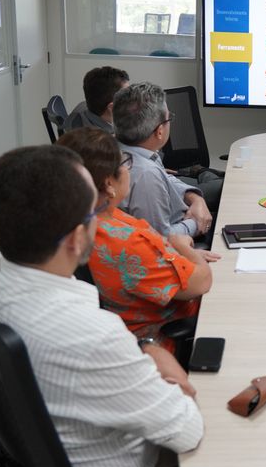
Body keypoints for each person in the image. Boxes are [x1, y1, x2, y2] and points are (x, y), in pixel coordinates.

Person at [0, 145, 203, 467]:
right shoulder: (92, 335)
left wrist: (145, 346)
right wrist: (163, 365)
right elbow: (187, 430)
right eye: (95, 212)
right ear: (76, 237)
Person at [57, 128, 219, 352]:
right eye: (124, 164)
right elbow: (201, 282)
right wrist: (184, 248)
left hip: (128, 321)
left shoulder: (88, 219)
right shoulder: (128, 243)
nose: (128, 169)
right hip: (159, 339)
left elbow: (151, 258)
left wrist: (177, 255)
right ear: (109, 184)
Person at [113, 82, 216, 240]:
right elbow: (158, 239)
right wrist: (196, 222)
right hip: (179, 243)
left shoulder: (129, 150)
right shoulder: (146, 174)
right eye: (169, 118)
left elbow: (166, 178)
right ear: (160, 131)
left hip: (181, 221)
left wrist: (196, 198)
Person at [66, 66, 130, 132]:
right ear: (112, 108)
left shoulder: (82, 107)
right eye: (128, 96)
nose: (132, 100)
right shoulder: (104, 140)